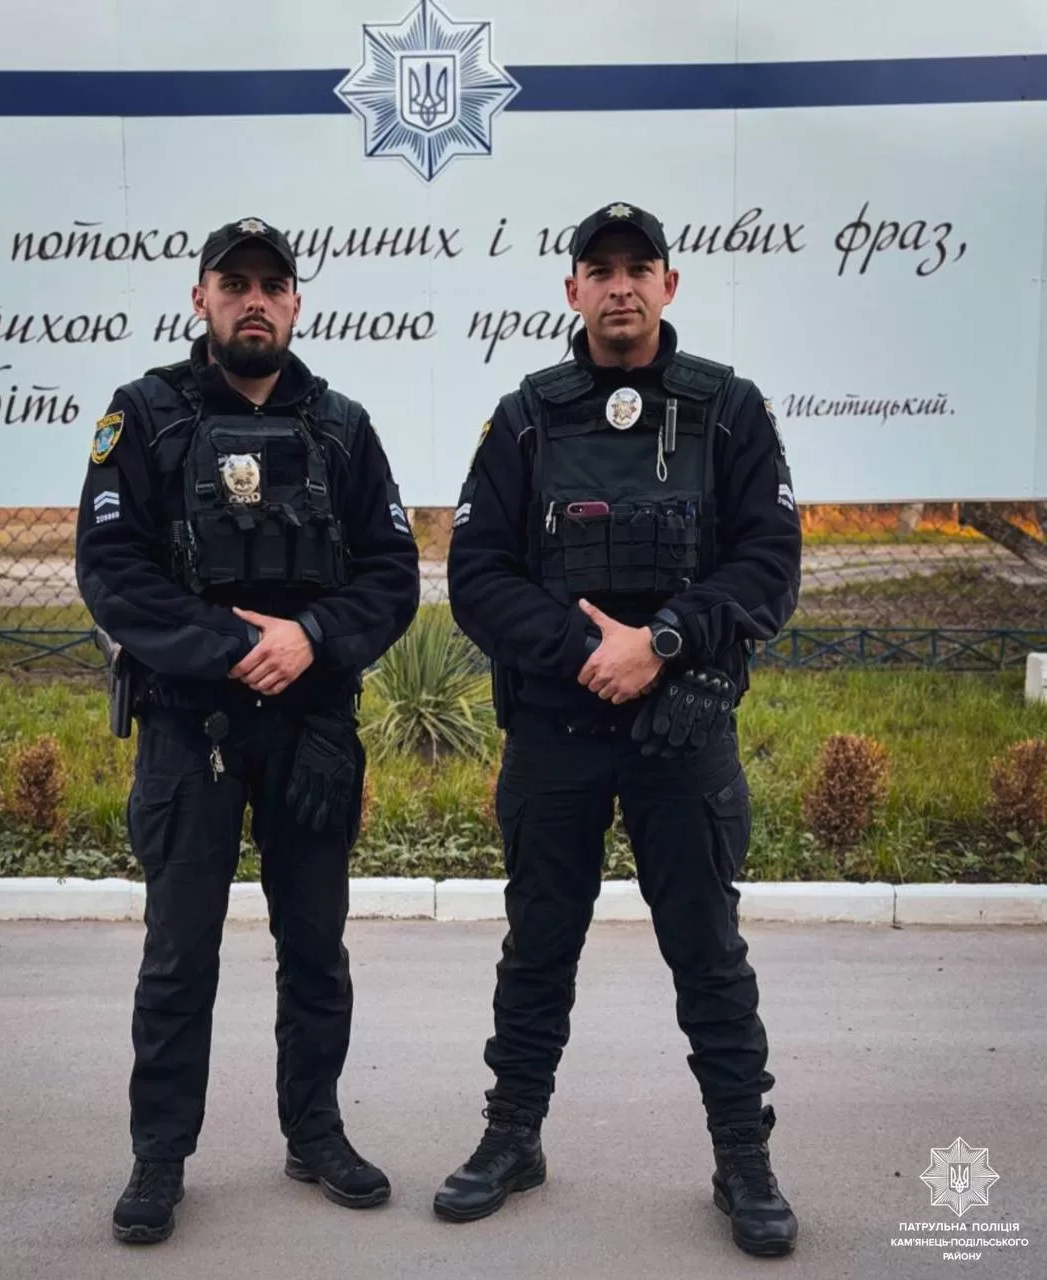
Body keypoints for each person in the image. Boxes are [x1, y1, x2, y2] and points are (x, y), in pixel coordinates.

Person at [437, 201, 802, 1257]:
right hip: (557, 728)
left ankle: (743, 1159)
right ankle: (512, 1136)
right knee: (537, 945)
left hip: (681, 731)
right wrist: (587, 651)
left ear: (669, 284)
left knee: (708, 953)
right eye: (599, 270)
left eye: (639, 268)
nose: (620, 286)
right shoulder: (526, 416)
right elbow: (477, 575)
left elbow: (768, 566)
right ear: (573, 291)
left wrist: (665, 642)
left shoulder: (729, 410)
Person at [75, 217, 420, 1244]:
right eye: (235, 284)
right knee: (179, 957)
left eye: (272, 285)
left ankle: (315, 1131)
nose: (254, 300)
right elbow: (113, 573)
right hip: (195, 728)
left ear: (296, 302)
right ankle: (158, 1155)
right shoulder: (144, 415)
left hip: (311, 729)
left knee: (315, 950)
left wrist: (311, 636)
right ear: (202, 300)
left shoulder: (343, 426)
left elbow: (392, 576)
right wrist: (235, 644)